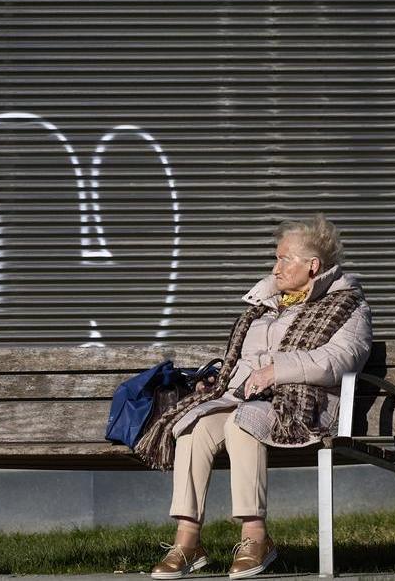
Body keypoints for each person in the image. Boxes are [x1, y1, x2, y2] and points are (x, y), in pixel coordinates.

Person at [136, 214, 373, 580]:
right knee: (193, 425)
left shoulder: (346, 306)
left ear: (313, 266)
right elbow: (243, 361)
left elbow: (340, 359)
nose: (275, 267)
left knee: (242, 423)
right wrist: (220, 383)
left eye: (284, 259)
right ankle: (187, 541)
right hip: (246, 398)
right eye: (275, 258)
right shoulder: (264, 303)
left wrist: (276, 370)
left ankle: (255, 536)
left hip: (306, 405)